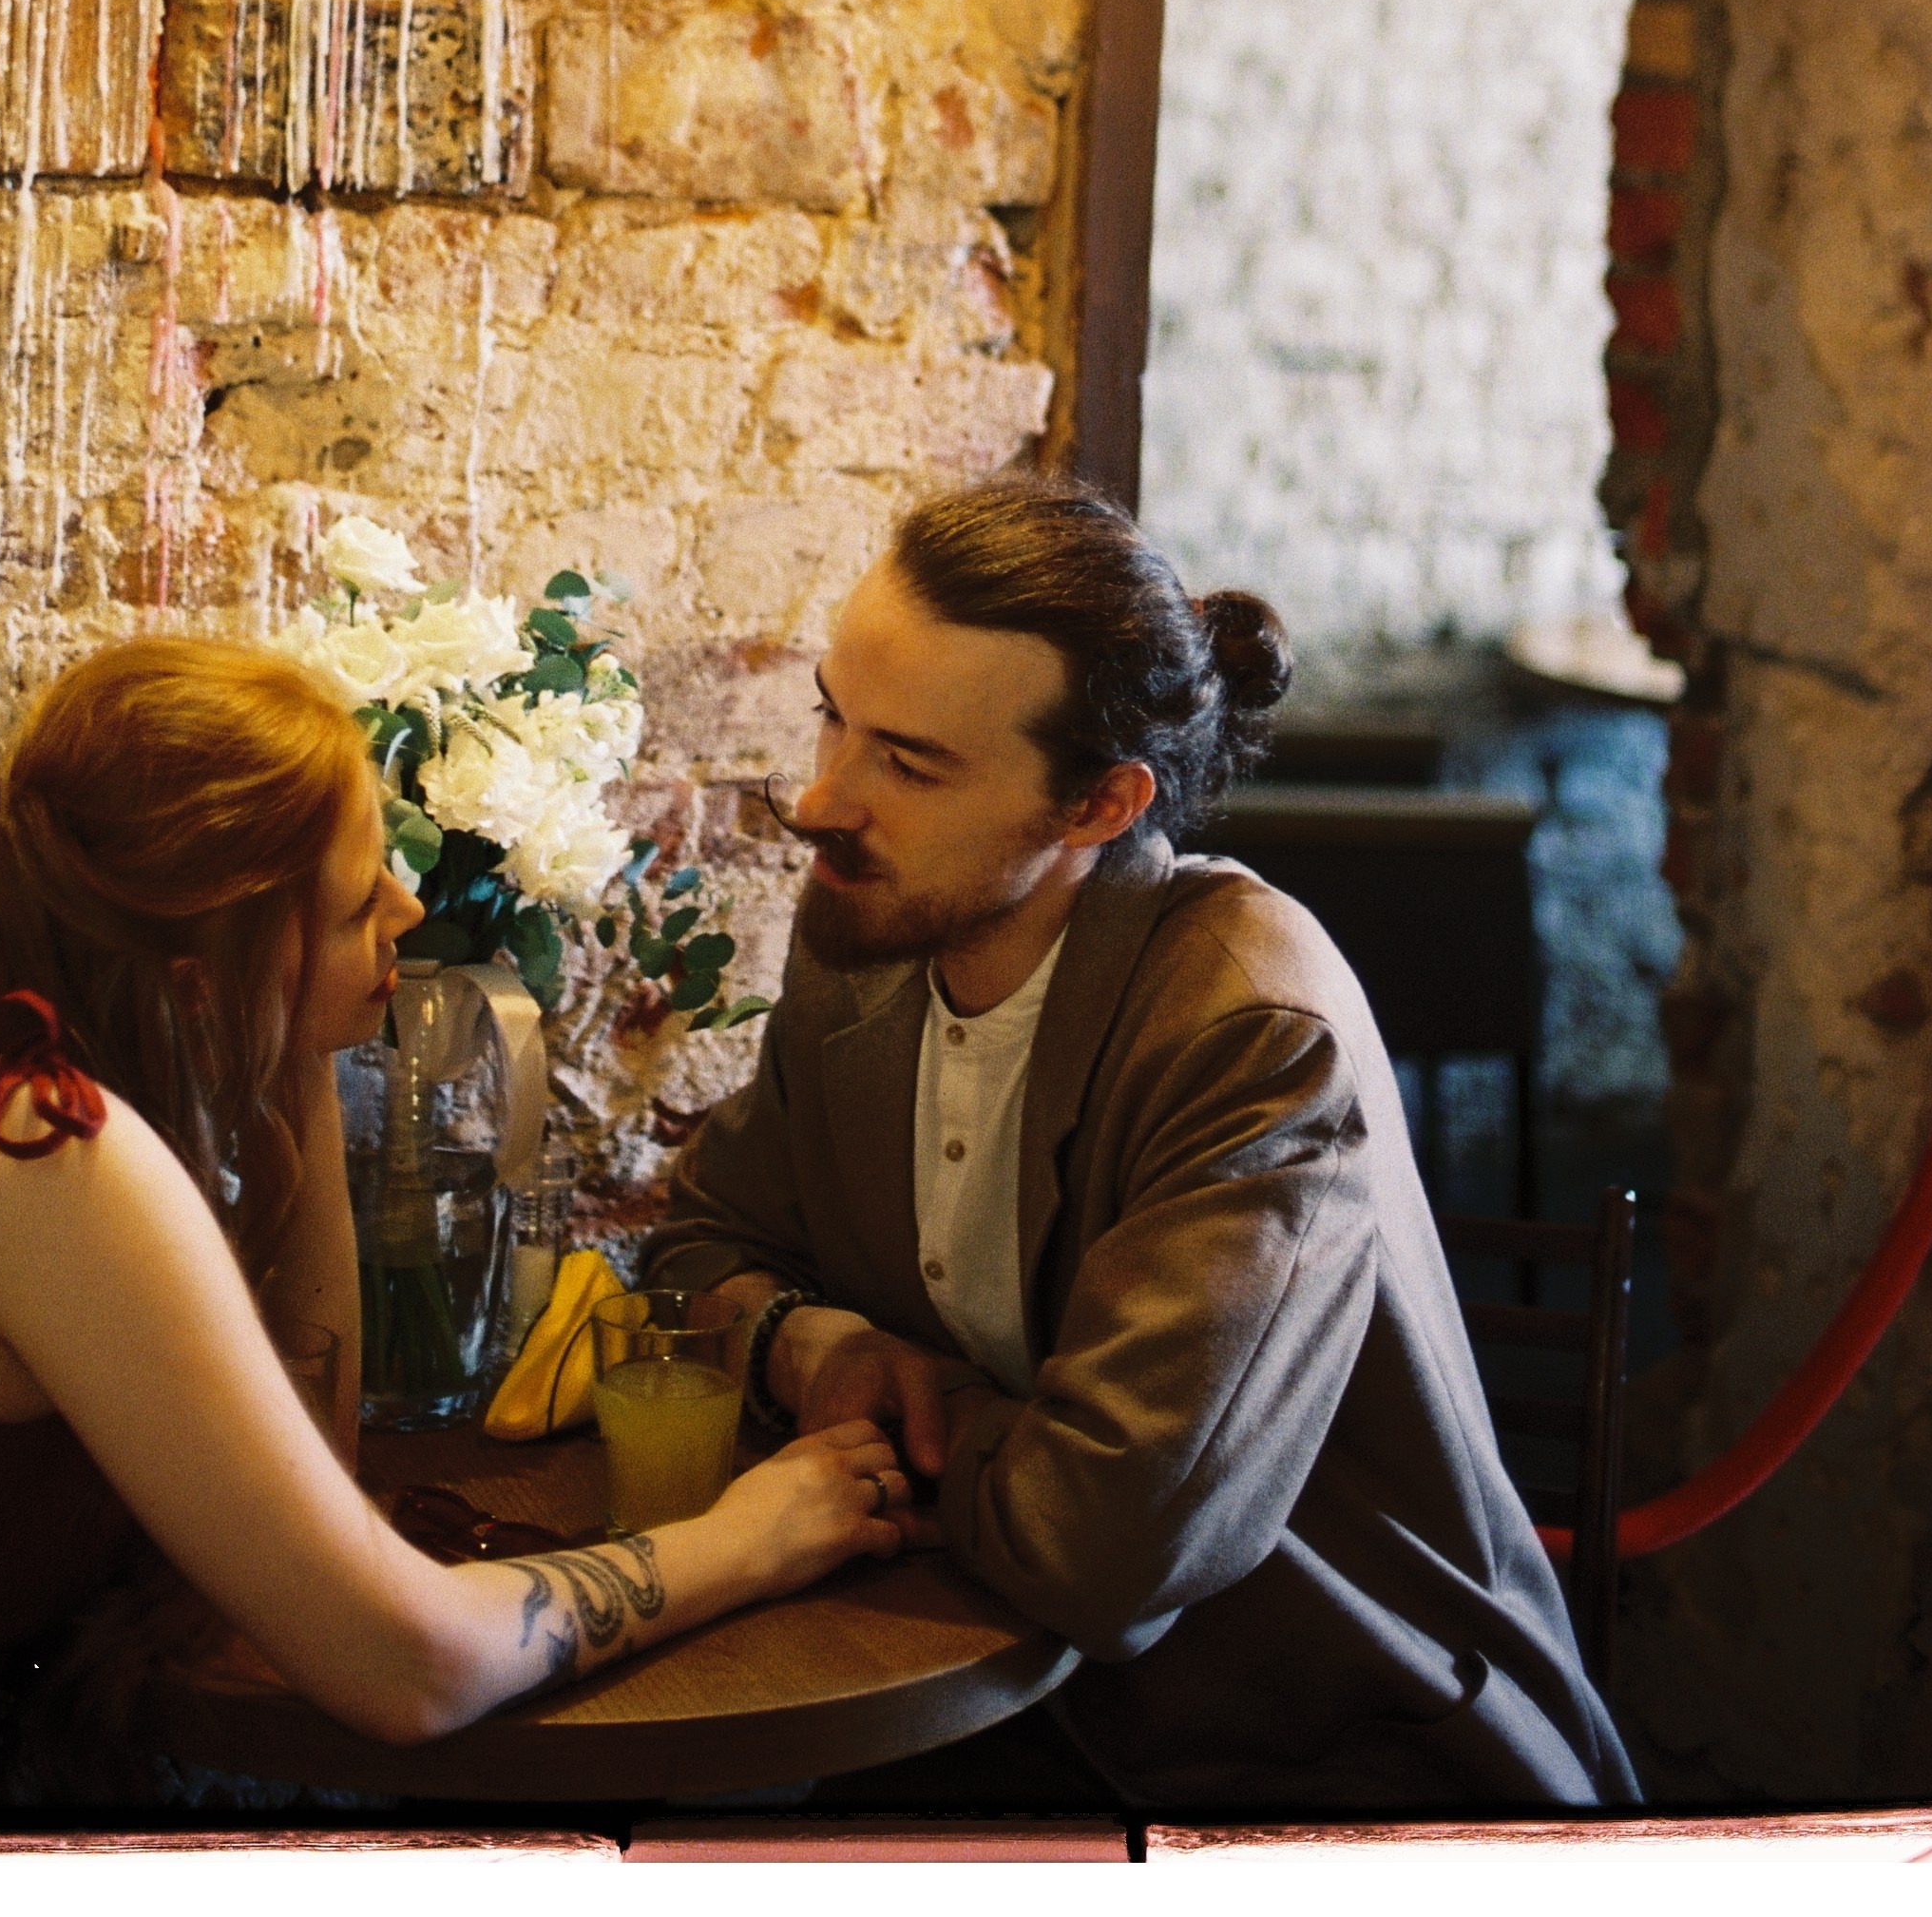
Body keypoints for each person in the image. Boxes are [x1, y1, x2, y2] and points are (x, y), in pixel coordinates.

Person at [646, 474, 1642, 1813]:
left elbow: (1103, 1551)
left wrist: (914, 1431)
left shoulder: (1248, 1029)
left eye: (909, 764)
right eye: (834, 717)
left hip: (1324, 1766)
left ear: (1100, 806)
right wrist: (810, 1344)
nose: (824, 798)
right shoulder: (872, 933)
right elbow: (693, 1249)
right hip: (976, 1723)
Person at [0, 638, 912, 1811]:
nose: (410, 909)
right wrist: (748, 1537)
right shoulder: (52, 1151)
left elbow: (316, 1467)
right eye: (353, 903)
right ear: (195, 978)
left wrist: (295, 1044)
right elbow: (412, 1664)